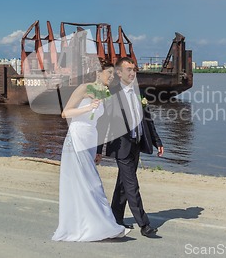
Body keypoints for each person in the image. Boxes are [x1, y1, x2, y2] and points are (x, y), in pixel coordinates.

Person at [52, 62, 129, 242]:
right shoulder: (84, 88)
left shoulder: (105, 92)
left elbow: (103, 120)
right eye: (109, 73)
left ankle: (94, 224)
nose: (112, 77)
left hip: (91, 139)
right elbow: (65, 113)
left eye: (114, 75)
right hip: (77, 137)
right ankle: (103, 227)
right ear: (98, 72)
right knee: (92, 183)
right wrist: (88, 107)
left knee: (87, 183)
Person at [97, 57, 165, 238]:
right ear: (119, 73)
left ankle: (115, 218)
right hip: (122, 146)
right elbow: (103, 122)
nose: (133, 72)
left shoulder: (139, 91)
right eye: (129, 69)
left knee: (123, 185)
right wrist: (98, 150)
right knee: (132, 184)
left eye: (134, 69)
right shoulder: (112, 93)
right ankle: (144, 225)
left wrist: (157, 141)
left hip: (137, 143)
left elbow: (148, 120)